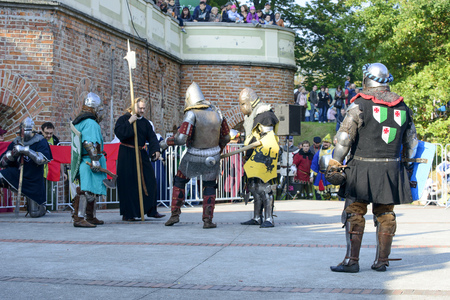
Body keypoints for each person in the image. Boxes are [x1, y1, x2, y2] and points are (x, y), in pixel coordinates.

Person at [327, 62, 418, 273]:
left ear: (367, 78)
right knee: (386, 213)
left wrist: (335, 164)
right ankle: (381, 261)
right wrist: (408, 167)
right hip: (391, 169)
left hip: (361, 167)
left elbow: (343, 139)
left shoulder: (359, 104)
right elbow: (412, 142)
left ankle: (351, 261)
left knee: (354, 213)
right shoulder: (403, 107)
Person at [162, 82, 230, 229]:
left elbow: (181, 139)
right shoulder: (217, 112)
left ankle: (175, 215)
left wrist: (166, 142)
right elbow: (226, 137)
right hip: (213, 157)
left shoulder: (191, 113)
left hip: (192, 156)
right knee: (210, 186)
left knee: (179, 181)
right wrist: (218, 150)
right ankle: (208, 220)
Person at [114, 98, 164, 222]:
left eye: (143, 108)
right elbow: (120, 133)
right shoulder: (123, 119)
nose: (142, 111)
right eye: (140, 108)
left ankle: (151, 210)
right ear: (133, 107)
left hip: (140, 154)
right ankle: (129, 213)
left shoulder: (145, 123)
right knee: (128, 184)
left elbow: (152, 137)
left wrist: (155, 150)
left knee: (150, 180)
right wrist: (130, 121)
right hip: (126, 154)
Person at [239, 87, 279, 228]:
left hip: (264, 155)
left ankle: (269, 219)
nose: (242, 107)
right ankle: (257, 217)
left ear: (250, 101)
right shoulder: (251, 116)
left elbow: (267, 139)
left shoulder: (264, 114)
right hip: (252, 155)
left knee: (264, 188)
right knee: (254, 188)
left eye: (243, 104)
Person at [0, 117, 52, 217]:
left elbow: (43, 159)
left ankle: (41, 207)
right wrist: (13, 153)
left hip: (34, 179)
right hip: (16, 174)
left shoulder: (40, 141)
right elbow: (2, 163)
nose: (25, 133)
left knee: (35, 213)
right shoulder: (16, 142)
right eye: (24, 130)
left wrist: (27, 151)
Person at [70, 93, 107, 227]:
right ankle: (79, 218)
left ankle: (91, 216)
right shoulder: (90, 123)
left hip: (85, 160)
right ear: (94, 108)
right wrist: (95, 160)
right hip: (89, 160)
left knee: (91, 190)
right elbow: (89, 143)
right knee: (85, 190)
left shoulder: (80, 121)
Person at [310, 134, 335, 199]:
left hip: (332, 174)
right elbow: (314, 164)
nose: (325, 144)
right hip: (322, 174)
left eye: (327, 142)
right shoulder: (319, 152)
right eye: (324, 142)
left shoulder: (334, 151)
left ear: (330, 143)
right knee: (322, 193)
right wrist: (312, 175)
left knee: (334, 194)